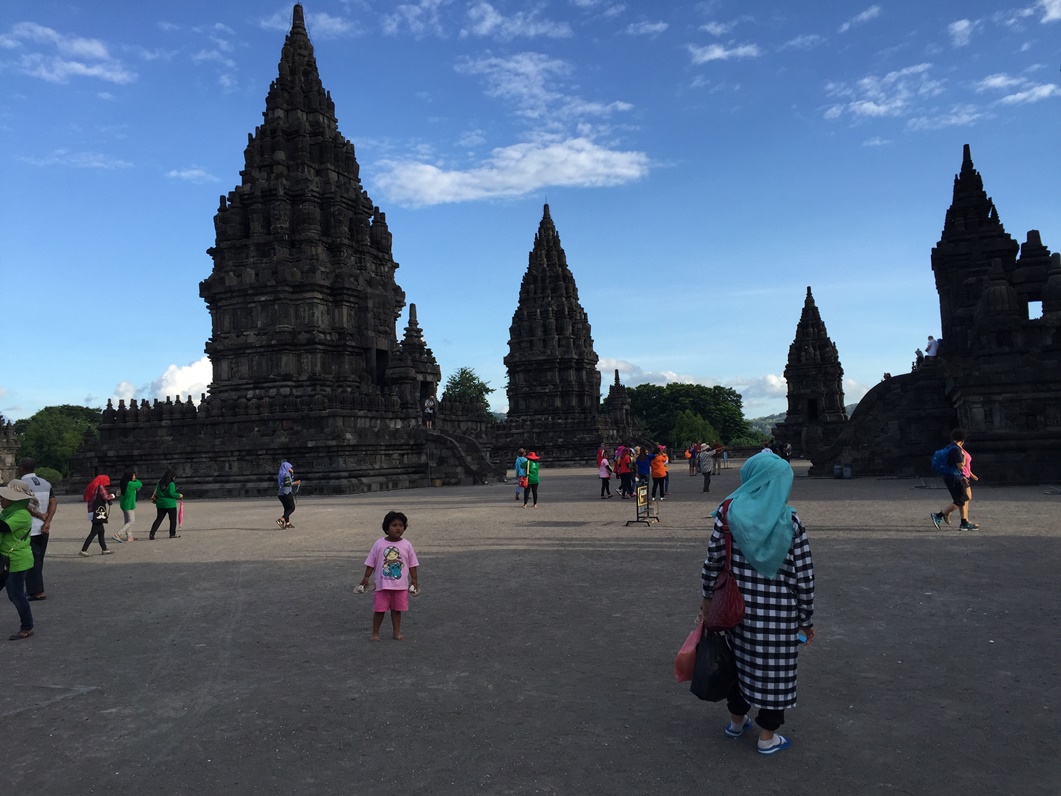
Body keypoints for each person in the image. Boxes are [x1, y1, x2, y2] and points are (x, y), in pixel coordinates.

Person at [700, 450, 816, 756]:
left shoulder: (727, 513)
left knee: (737, 663)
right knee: (774, 671)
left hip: (735, 611)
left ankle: (736, 722)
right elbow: (803, 577)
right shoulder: (790, 521)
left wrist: (707, 601)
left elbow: (712, 564)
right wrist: (806, 618)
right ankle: (767, 736)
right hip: (778, 617)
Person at [358, 511, 419, 641]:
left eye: (401, 525)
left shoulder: (407, 545)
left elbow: (412, 563)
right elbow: (371, 562)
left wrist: (414, 579)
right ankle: (375, 633)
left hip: (400, 585)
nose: (398, 528)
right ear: (386, 527)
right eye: (394, 525)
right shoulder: (379, 544)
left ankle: (396, 632)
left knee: (397, 610)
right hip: (382, 585)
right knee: (379, 610)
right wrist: (366, 577)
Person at [1, 479, 38, 640]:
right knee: (16, 594)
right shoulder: (8, 512)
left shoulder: (21, 514)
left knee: (16, 595)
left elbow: (4, 527)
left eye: (4, 497)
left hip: (16, 559)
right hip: (5, 558)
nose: (1, 499)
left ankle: (27, 626)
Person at [17, 458, 55, 602]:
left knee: (30, 560)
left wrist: (38, 515)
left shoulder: (19, 485)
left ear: (21, 469)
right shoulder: (46, 483)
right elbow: (53, 501)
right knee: (39, 559)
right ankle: (36, 589)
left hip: (28, 526)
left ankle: (37, 591)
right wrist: (48, 520)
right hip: (44, 527)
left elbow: (23, 503)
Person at [931, 429, 979, 531]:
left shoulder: (949, 447)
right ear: (963, 439)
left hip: (952, 476)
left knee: (964, 498)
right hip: (955, 477)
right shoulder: (956, 449)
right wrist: (963, 462)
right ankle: (939, 515)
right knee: (960, 500)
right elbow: (960, 465)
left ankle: (964, 522)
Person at [149, 469, 183, 540]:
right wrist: (179, 495)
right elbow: (172, 493)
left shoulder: (159, 483)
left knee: (159, 519)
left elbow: (157, 492)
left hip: (160, 504)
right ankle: (172, 533)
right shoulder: (171, 484)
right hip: (170, 504)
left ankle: (152, 533)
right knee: (173, 519)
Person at [114, 468, 142, 543]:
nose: (134, 477)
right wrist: (135, 480)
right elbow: (140, 484)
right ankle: (118, 534)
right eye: (133, 476)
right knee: (131, 521)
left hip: (124, 504)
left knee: (127, 521)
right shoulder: (130, 484)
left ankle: (130, 536)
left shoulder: (124, 482)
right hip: (129, 505)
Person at [276, 462, 301, 529]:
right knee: (292, 508)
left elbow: (288, 481)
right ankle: (281, 520)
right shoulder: (286, 474)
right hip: (286, 493)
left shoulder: (281, 473)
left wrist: (292, 473)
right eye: (289, 467)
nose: (290, 468)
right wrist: (296, 482)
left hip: (281, 494)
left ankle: (287, 523)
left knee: (286, 508)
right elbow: (288, 483)